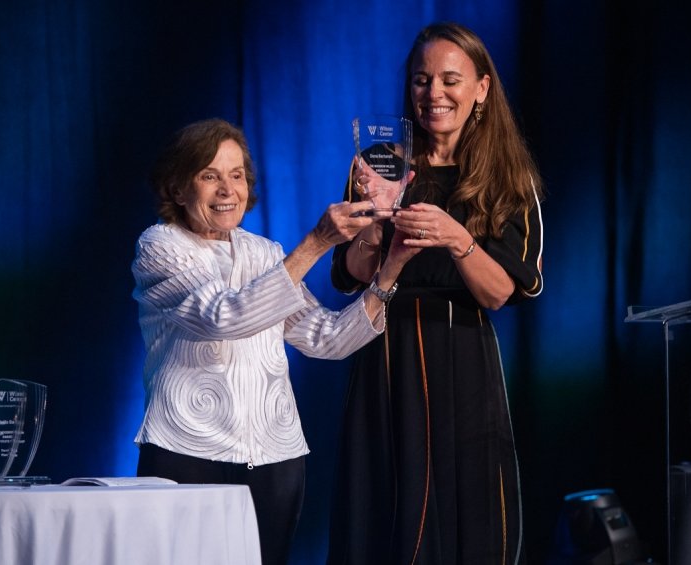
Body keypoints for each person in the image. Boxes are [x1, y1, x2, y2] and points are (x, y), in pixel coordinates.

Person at [131, 118, 416, 565]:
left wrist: (391, 267)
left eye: (237, 175)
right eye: (209, 175)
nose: (227, 190)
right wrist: (318, 242)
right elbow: (224, 316)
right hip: (187, 454)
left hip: (275, 459)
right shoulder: (160, 246)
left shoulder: (263, 252)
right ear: (178, 188)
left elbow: (327, 338)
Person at [327, 22, 545, 565]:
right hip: (383, 346)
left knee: (465, 504)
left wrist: (458, 239)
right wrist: (376, 221)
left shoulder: (508, 178)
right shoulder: (381, 161)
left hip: (462, 355)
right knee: (382, 501)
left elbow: (500, 294)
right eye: (422, 80)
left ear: (482, 89)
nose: (434, 94)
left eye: (450, 79)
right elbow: (349, 272)